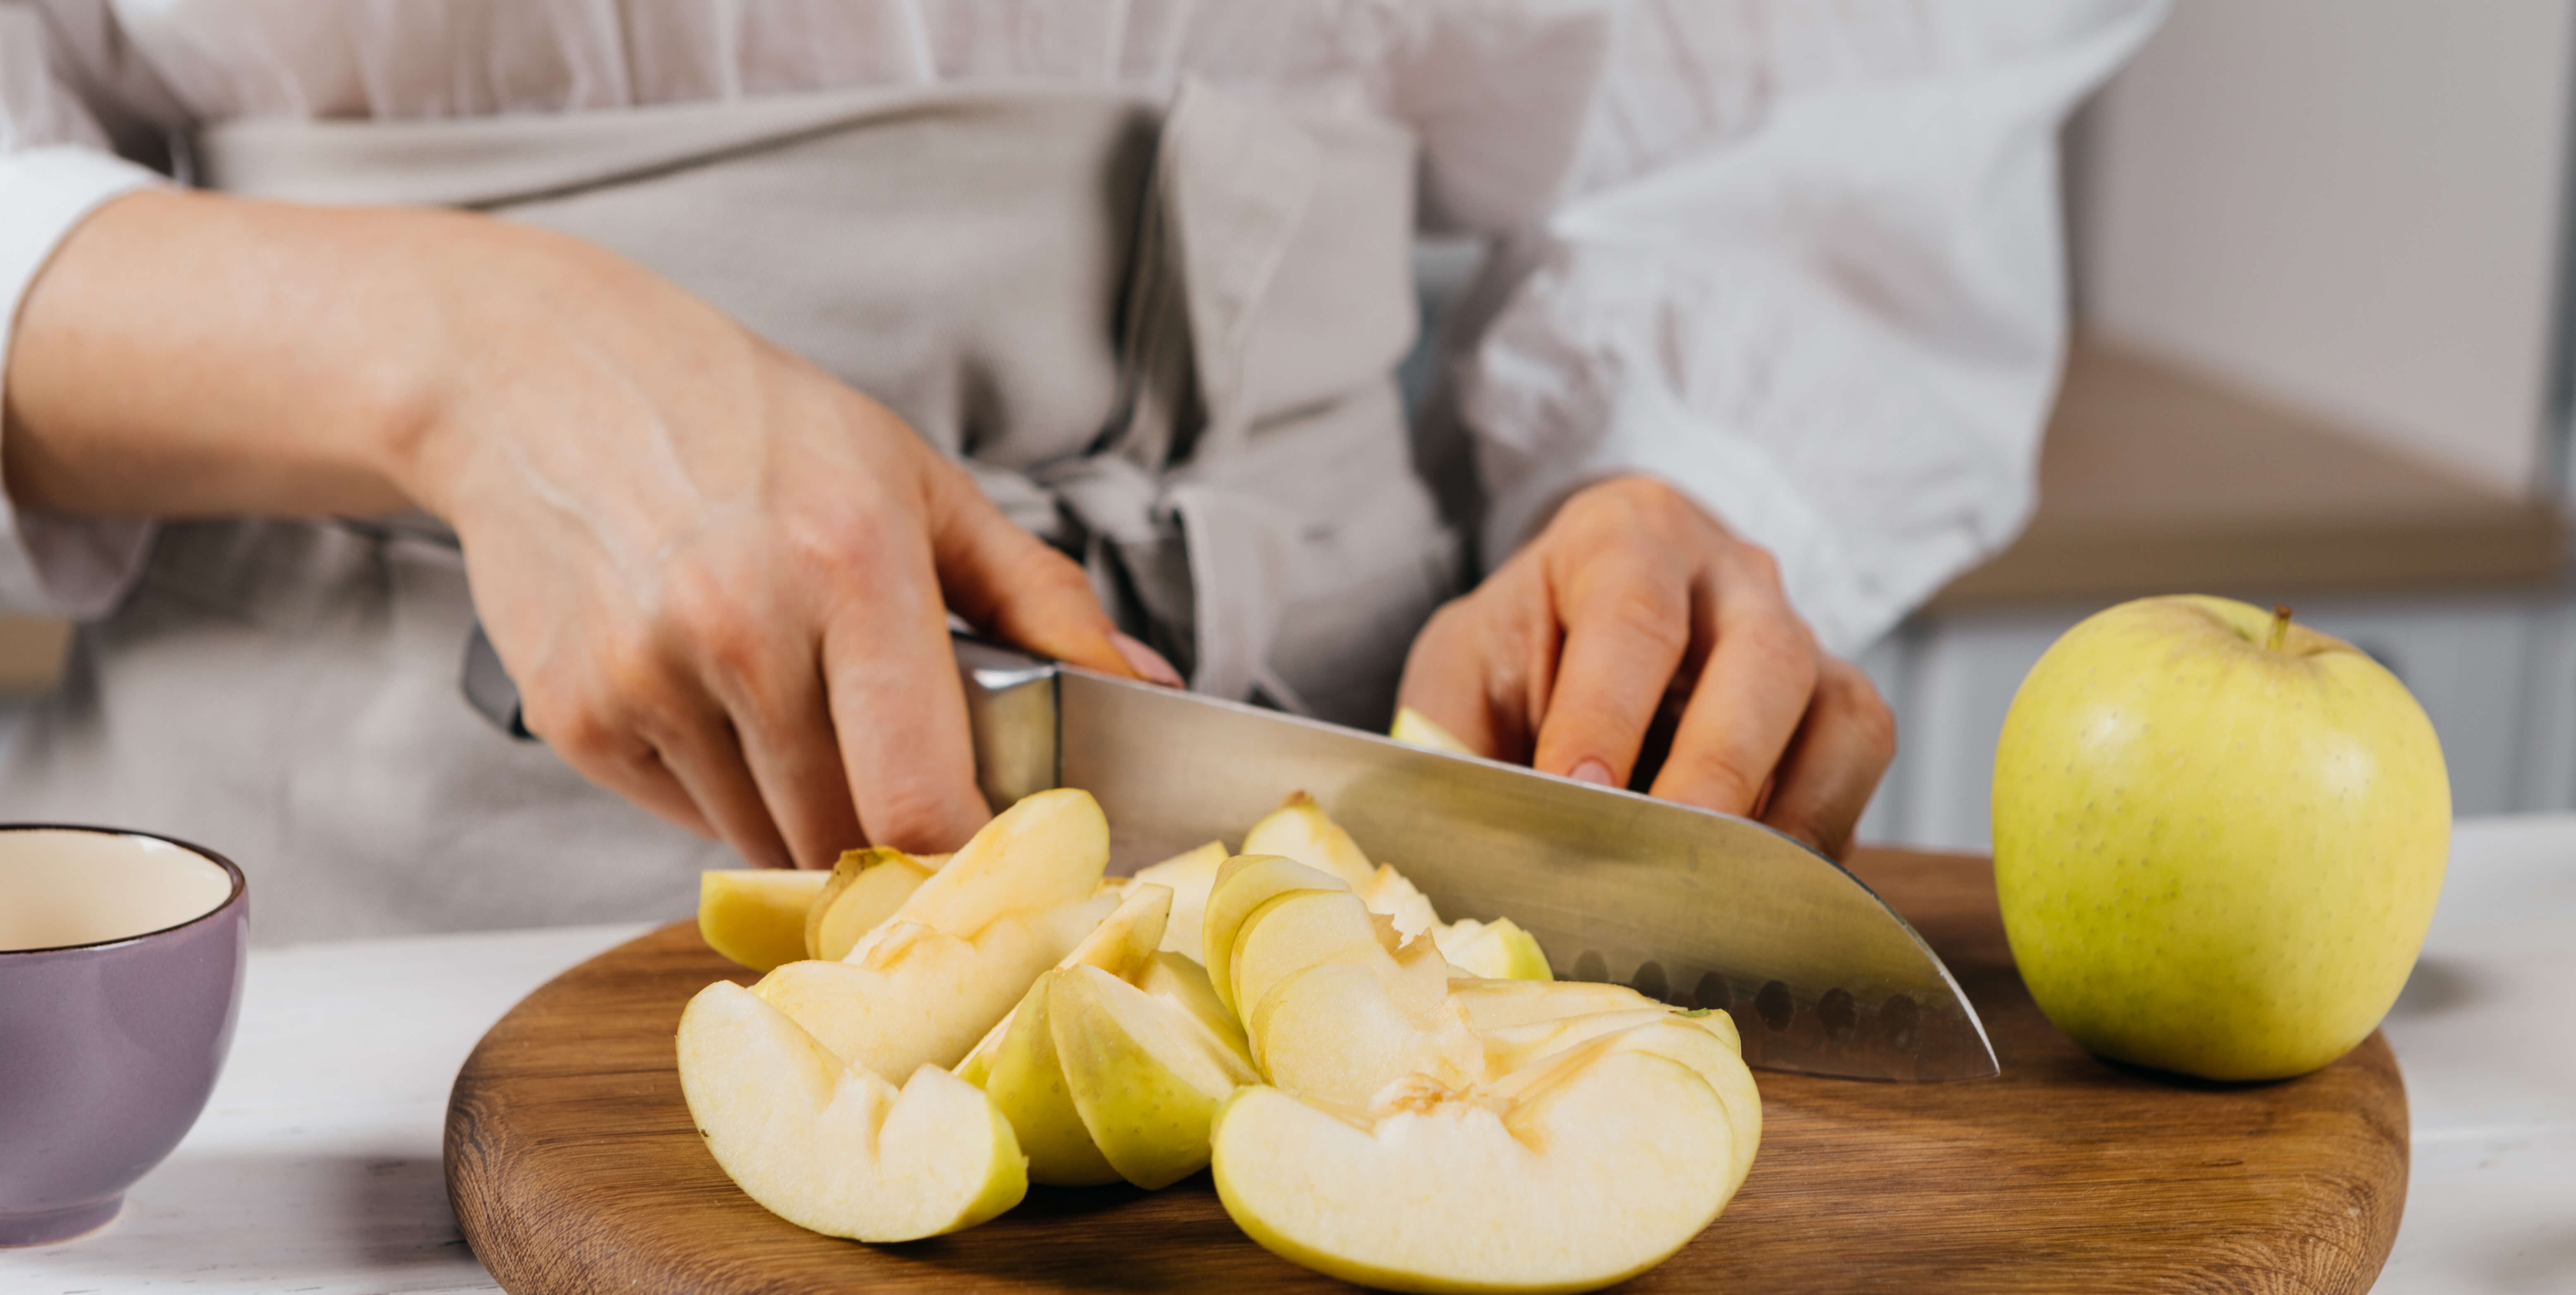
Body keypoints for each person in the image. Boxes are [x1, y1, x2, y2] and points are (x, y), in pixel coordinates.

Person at [0, 1, 2158, 943]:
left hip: (1341, 828)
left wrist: (1667, 479)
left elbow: (1823, 113)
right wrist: (453, 349)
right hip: (340, 978)